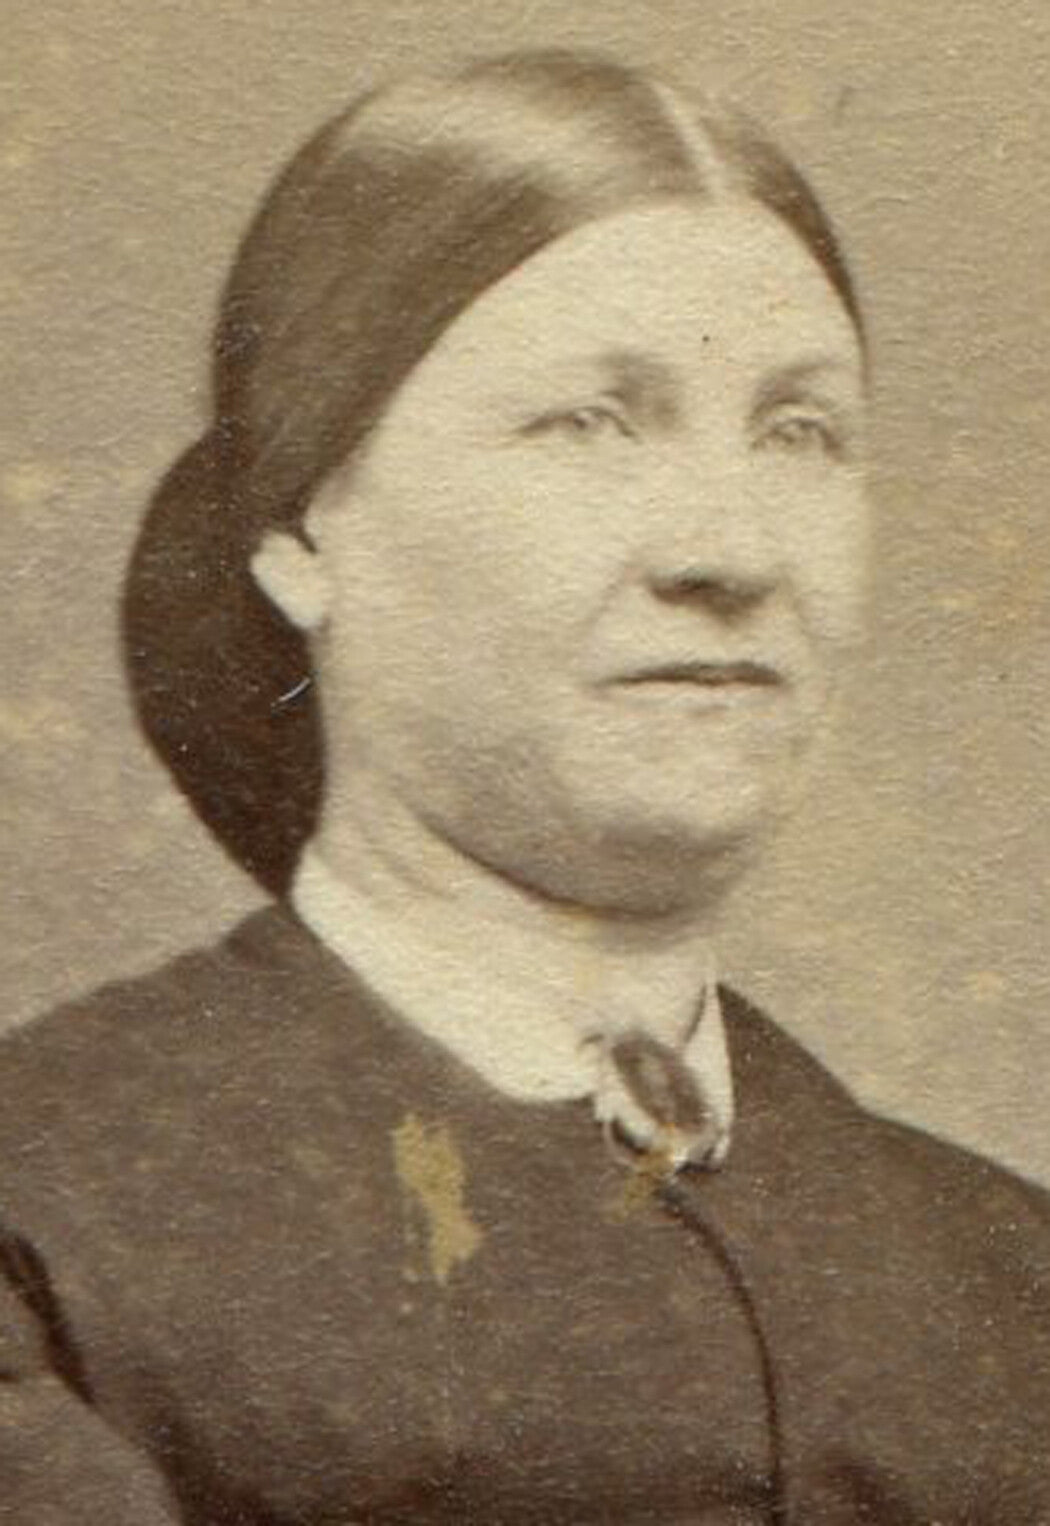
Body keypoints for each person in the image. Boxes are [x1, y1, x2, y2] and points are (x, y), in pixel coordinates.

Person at [0, 47, 1047, 1525]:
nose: (731, 553)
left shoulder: (1011, 1279)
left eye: (799, 431)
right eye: (588, 422)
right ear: (305, 528)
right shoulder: (44, 1225)